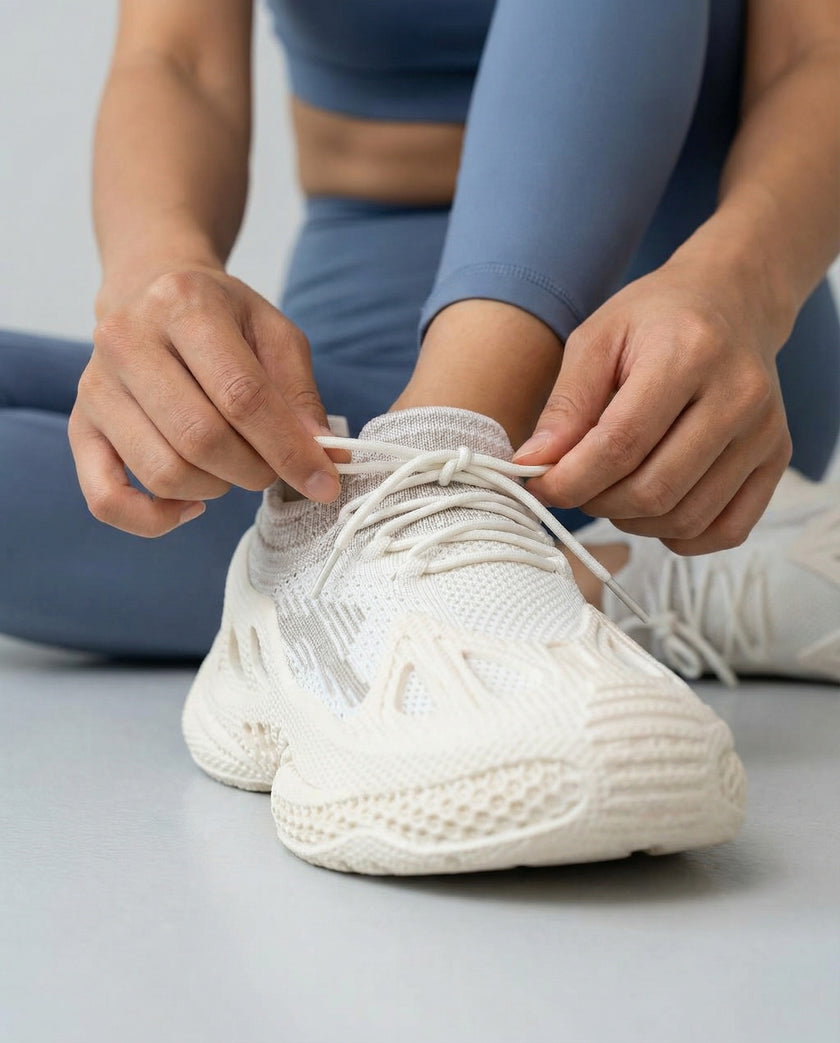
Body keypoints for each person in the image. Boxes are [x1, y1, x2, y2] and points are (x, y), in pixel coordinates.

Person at [2, 0, 838, 873]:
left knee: (391, 473)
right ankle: (616, 584)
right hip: (365, 359)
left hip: (669, 343)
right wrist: (152, 284)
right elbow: (176, 62)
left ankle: (445, 476)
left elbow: (816, 56)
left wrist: (741, 289)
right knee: (252, 472)